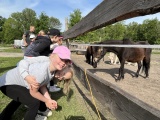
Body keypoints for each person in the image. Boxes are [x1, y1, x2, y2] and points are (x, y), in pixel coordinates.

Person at [0, 46, 71, 120]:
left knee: (21, 98)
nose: (63, 63)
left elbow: (42, 86)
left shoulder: (51, 71)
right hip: (6, 83)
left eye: (66, 61)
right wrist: (47, 101)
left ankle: (3, 117)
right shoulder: (42, 71)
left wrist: (49, 100)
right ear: (52, 55)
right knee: (34, 102)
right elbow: (33, 92)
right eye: (61, 58)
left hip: (14, 83)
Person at [24, 28, 62, 92]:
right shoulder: (46, 41)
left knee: (50, 61)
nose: (59, 39)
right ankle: (48, 85)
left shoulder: (46, 40)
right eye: (59, 38)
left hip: (30, 56)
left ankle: (49, 84)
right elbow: (36, 50)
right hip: (30, 57)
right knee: (52, 64)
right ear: (55, 37)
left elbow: (44, 50)